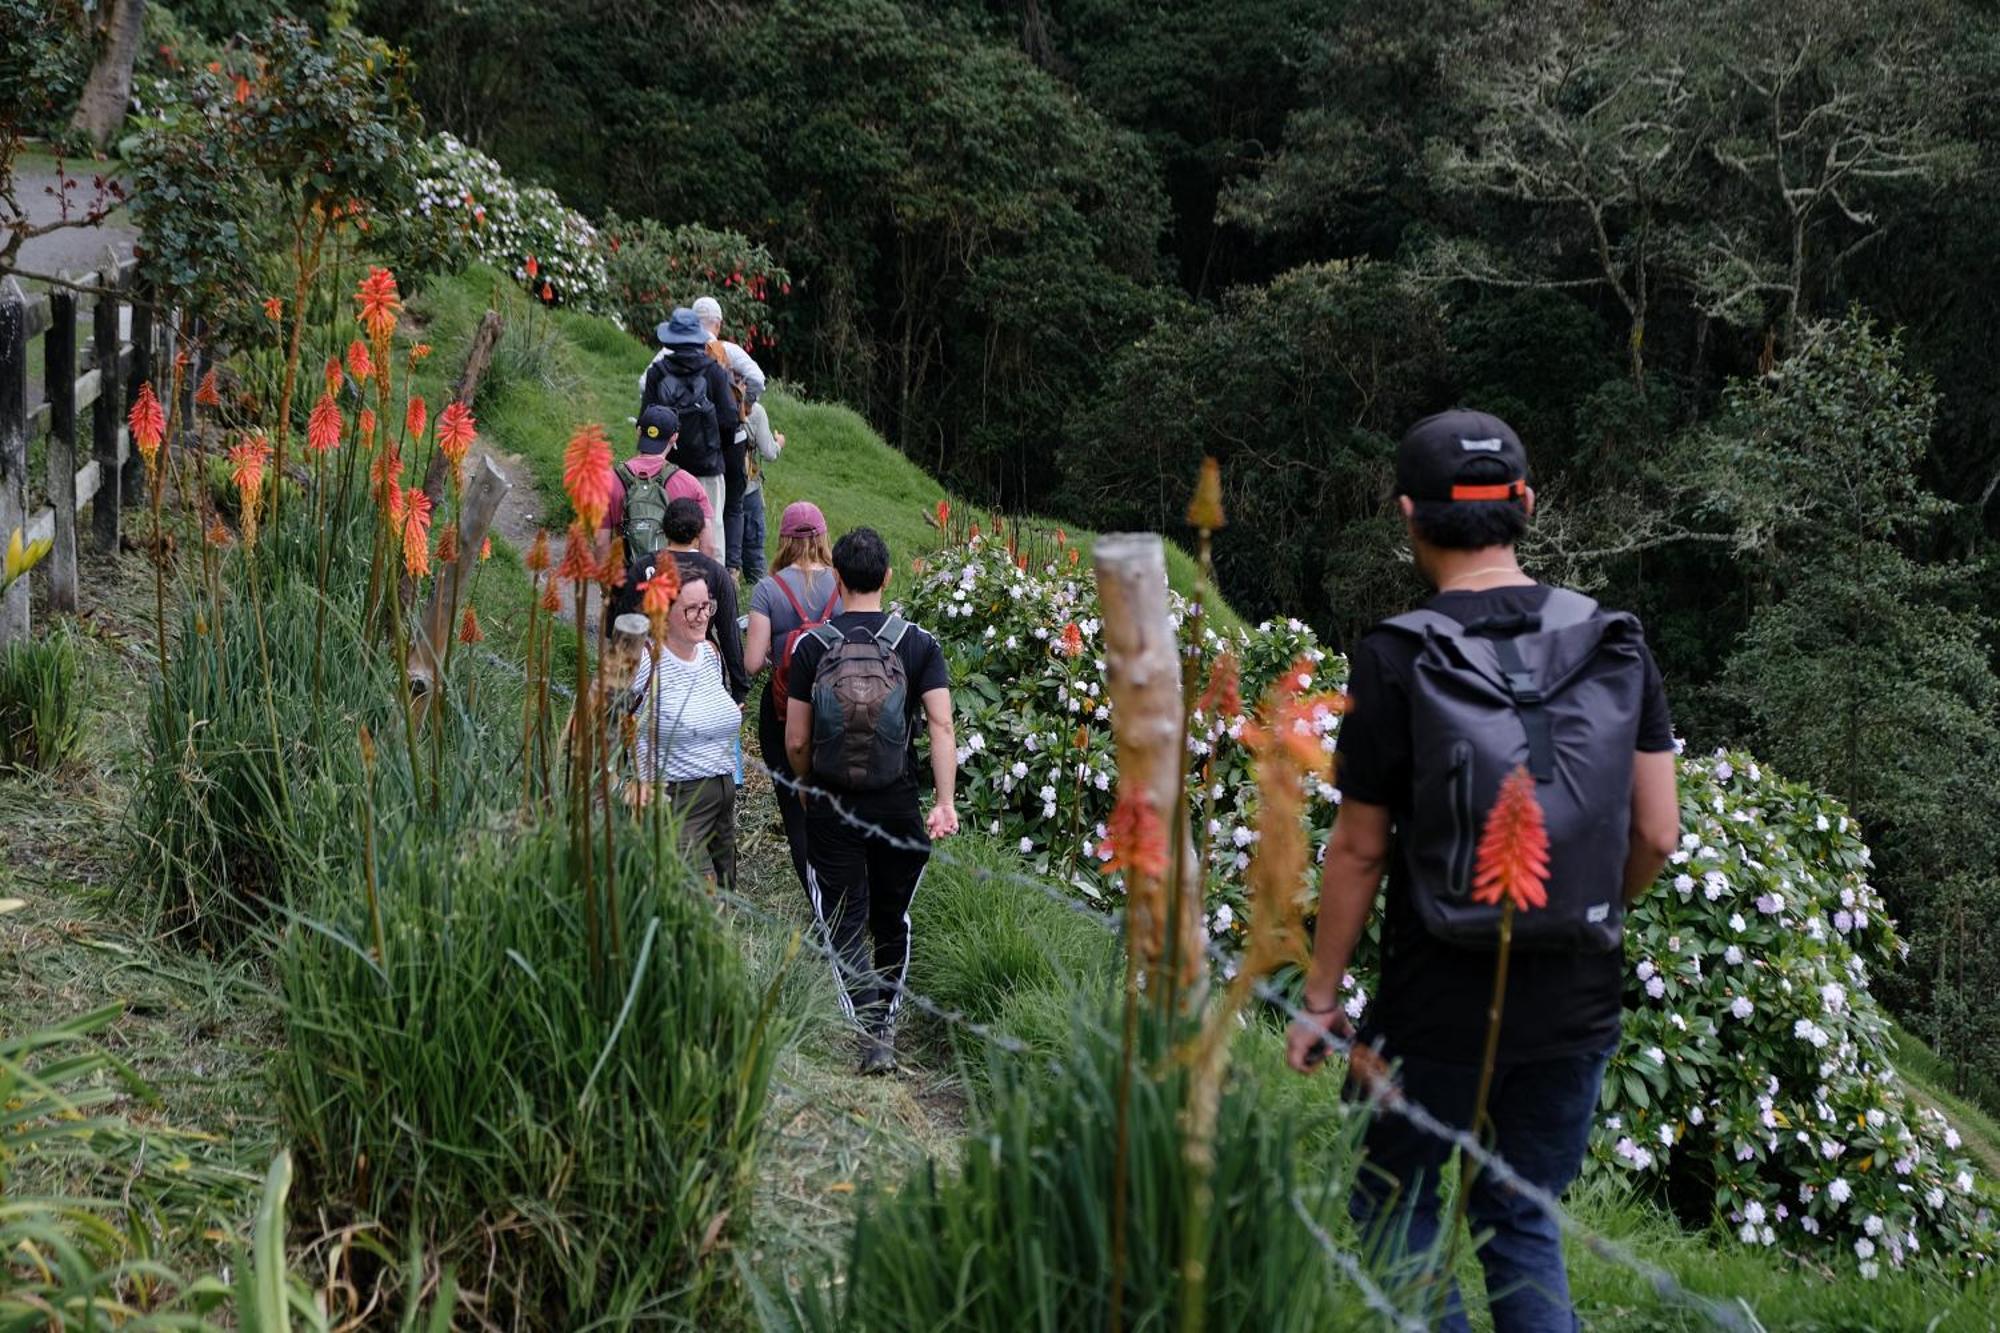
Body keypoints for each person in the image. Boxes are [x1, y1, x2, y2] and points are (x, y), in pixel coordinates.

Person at [1284, 409, 1681, 1333]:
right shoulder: (1616, 639)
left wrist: (1320, 996)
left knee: (1394, 1202)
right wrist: (1580, 909)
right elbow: (1657, 832)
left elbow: (1360, 847)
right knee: (1521, 1217)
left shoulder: (1396, 653)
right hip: (1577, 998)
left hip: (1437, 1003)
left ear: (1408, 516)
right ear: (1527, 506)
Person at [784, 526, 957, 1076]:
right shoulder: (918, 644)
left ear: (837, 578)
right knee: (892, 916)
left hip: (833, 802)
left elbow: (795, 740)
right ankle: (886, 1023)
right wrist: (944, 802)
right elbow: (941, 724)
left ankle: (864, 1026)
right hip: (897, 801)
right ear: (887, 577)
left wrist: (809, 782)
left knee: (843, 917)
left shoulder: (811, 646)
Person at [744, 501, 838, 896]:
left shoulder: (769, 588)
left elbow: (751, 663)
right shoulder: (841, 581)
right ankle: (846, 894)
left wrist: (779, 651)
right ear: (822, 537)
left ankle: (817, 902)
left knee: (793, 809)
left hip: (783, 712)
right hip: (838, 711)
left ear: (783, 538)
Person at [629, 573, 742, 889]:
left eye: (708, 606)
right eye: (692, 608)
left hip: (724, 797)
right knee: (693, 900)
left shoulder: (710, 655)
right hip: (676, 801)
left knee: (726, 893)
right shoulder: (642, 661)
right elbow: (600, 719)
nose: (703, 615)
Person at [639, 308, 738, 541]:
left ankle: (667, 576)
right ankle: (711, 577)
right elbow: (729, 421)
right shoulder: (715, 373)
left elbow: (646, 420)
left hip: (666, 468)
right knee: (711, 532)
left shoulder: (657, 373)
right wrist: (716, 450)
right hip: (708, 467)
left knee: (667, 530)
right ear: (698, 337)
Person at [659, 497, 748, 702]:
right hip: (702, 665)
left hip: (655, 664)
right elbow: (729, 634)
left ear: (664, 530)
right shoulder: (717, 573)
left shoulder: (645, 567)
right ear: (700, 533)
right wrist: (739, 688)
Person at [604, 404, 719, 561]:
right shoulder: (689, 484)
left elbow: (600, 544)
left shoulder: (611, 480)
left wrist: (610, 585)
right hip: (673, 579)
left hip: (630, 578)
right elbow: (708, 546)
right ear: (674, 437)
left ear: (638, 432)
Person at [740, 398, 785, 584]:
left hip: (718, 485)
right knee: (753, 547)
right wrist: (779, 443)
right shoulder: (755, 411)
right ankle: (758, 591)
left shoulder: (712, 400)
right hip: (747, 488)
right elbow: (769, 452)